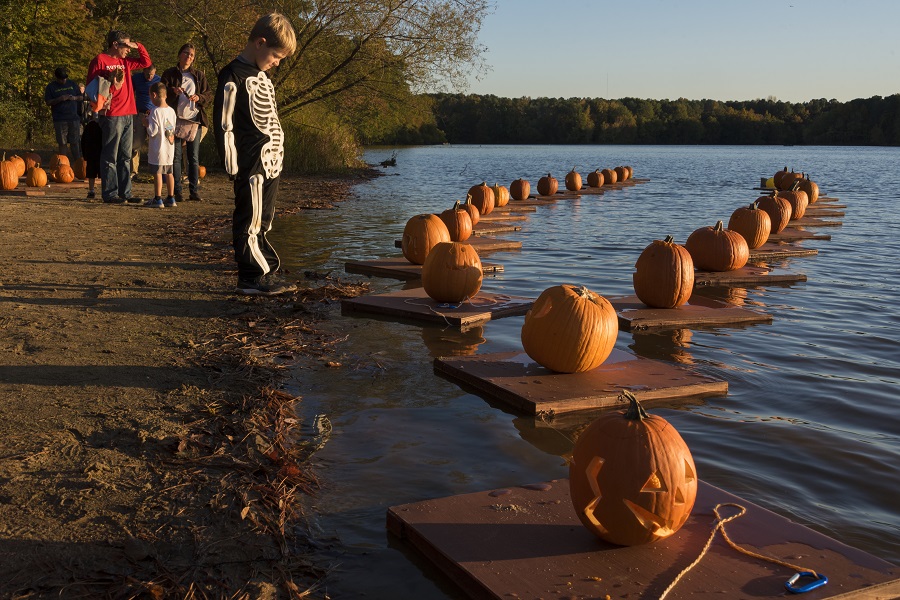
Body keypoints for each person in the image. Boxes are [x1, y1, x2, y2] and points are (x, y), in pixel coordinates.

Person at [213, 13, 298, 296]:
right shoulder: (232, 75)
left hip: (271, 160)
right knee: (249, 217)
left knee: (264, 218)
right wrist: (231, 161)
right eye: (276, 56)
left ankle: (266, 269)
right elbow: (224, 121)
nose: (276, 63)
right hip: (250, 160)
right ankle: (250, 277)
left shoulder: (263, 78)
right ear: (260, 43)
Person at [86, 30, 152, 204]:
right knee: (110, 155)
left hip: (129, 113)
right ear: (115, 44)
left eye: (130, 46)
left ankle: (126, 193)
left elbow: (146, 62)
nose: (128, 50)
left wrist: (137, 45)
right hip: (112, 115)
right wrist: (113, 87)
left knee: (125, 156)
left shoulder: (125, 61)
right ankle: (110, 194)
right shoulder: (100, 60)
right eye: (126, 45)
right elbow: (92, 91)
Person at [161, 43, 210, 202]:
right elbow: (160, 94)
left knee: (193, 157)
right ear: (179, 54)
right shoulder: (168, 74)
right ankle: (177, 192)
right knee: (175, 156)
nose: (188, 57)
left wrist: (199, 97)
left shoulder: (199, 76)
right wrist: (172, 92)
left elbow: (208, 95)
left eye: (191, 55)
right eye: (186, 53)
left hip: (193, 120)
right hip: (172, 120)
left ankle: (194, 191)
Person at [141, 82, 177, 208]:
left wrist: (146, 123)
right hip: (169, 148)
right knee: (169, 173)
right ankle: (171, 197)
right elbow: (170, 128)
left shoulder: (155, 112)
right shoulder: (171, 111)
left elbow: (153, 131)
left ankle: (158, 198)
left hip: (158, 148)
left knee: (158, 173)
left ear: (154, 95)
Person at [44, 67, 83, 160]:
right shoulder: (51, 87)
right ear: (57, 78)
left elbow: (81, 97)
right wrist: (60, 99)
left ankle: (78, 162)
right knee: (62, 143)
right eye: (61, 79)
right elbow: (48, 102)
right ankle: (63, 163)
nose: (63, 80)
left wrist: (74, 98)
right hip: (60, 119)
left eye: (65, 78)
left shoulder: (72, 84)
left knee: (75, 142)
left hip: (73, 117)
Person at [131, 65, 160, 176]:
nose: (149, 76)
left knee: (154, 142)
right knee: (136, 143)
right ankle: (134, 170)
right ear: (143, 71)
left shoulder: (159, 80)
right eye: (147, 74)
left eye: (152, 74)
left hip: (153, 114)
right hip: (139, 113)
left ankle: (154, 170)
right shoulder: (137, 79)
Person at [80, 114, 102, 199]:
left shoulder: (102, 125)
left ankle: (93, 190)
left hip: (96, 153)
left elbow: (83, 141)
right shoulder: (90, 126)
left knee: (98, 172)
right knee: (92, 173)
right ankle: (92, 190)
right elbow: (84, 141)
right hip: (93, 153)